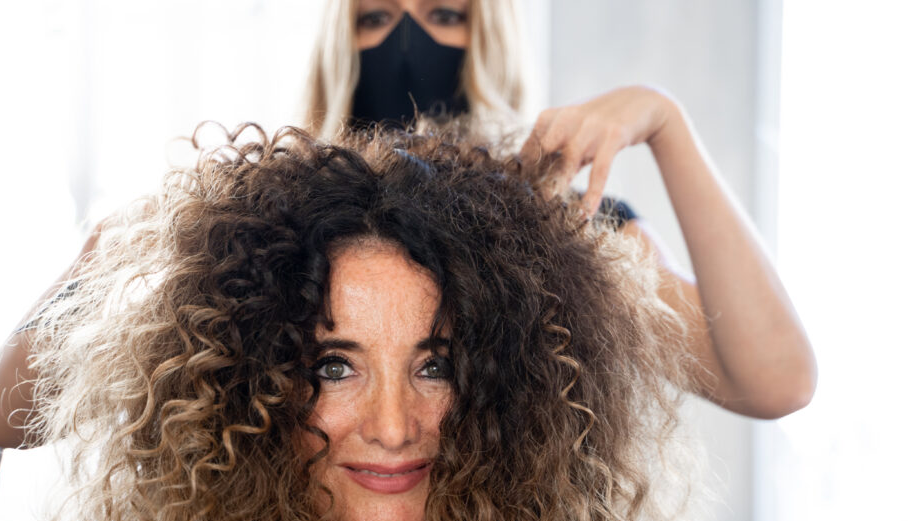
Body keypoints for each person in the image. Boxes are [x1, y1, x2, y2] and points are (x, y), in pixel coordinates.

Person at [0, 124, 706, 521]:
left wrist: (665, 121)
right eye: (335, 367)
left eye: (435, 366)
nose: (394, 427)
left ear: (502, 392)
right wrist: (104, 252)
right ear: (248, 391)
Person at [301, 0, 818, 420]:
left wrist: (665, 121)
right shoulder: (275, 227)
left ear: (489, 38)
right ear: (338, 46)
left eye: (445, 15)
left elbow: (776, 381)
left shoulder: (568, 223)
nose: (406, 43)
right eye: (375, 18)